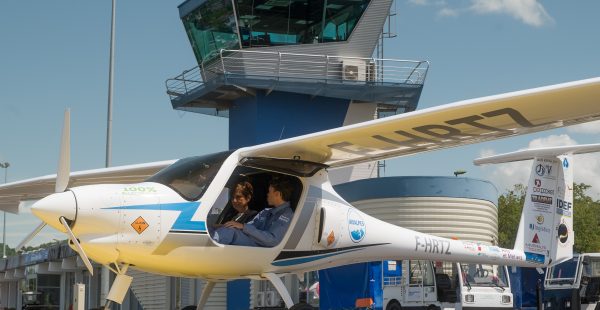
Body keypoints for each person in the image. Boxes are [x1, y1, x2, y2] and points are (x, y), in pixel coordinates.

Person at [214, 177, 294, 247]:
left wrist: (243, 227)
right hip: (251, 242)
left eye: (269, 192)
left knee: (229, 233)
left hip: (261, 249)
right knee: (218, 230)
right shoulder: (265, 212)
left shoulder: (287, 215)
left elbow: (272, 240)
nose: (267, 194)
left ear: (277, 194)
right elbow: (248, 226)